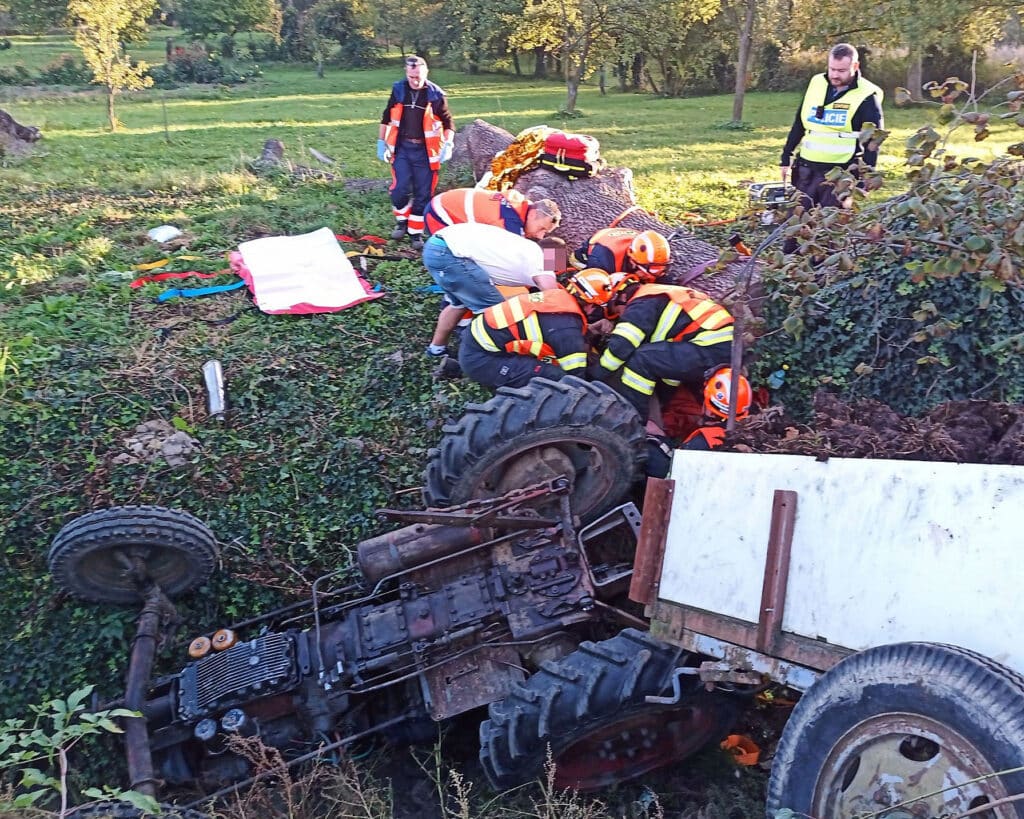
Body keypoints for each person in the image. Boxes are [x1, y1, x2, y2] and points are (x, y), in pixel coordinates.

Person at [422, 190, 562, 358]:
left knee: (458, 304)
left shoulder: (524, 247)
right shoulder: (540, 259)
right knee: (497, 313)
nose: (540, 235)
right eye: (542, 229)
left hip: (438, 246)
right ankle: (474, 355)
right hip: (449, 250)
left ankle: (436, 349)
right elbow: (553, 297)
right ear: (551, 263)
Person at [589, 280, 734, 422]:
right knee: (651, 357)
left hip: (711, 346)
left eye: (615, 311)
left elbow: (622, 346)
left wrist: (595, 376)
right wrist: (663, 397)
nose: (620, 316)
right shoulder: (658, 294)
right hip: (719, 347)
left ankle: (634, 421)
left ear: (622, 297)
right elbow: (670, 368)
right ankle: (653, 413)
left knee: (641, 359)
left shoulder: (641, 302)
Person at [780, 43, 884, 220]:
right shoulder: (816, 83)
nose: (835, 75)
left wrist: (864, 180)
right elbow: (800, 122)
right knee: (796, 226)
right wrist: (786, 156)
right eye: (832, 69)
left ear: (855, 66)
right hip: (806, 171)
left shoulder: (866, 96)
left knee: (828, 233)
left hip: (840, 175)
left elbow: (873, 142)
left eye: (841, 70)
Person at [459, 273, 600, 390]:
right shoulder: (566, 329)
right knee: (558, 379)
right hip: (483, 361)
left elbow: (553, 327)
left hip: (475, 342)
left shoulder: (557, 297)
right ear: (591, 305)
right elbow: (575, 378)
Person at [378, 55, 454, 250]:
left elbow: (448, 122)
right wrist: (381, 142)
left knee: (423, 193)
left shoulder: (435, 95)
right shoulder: (399, 90)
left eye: (418, 76)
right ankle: (402, 221)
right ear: (406, 73)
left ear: (426, 72)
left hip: (426, 152)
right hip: (402, 147)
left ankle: (415, 233)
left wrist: (449, 143)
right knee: (399, 189)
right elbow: (386, 117)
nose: (415, 80)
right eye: (411, 76)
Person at [423, 188, 561, 240]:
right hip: (440, 215)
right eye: (542, 228)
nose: (540, 236)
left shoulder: (519, 204)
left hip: (443, 204)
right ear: (532, 215)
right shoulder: (509, 222)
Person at [571, 228, 671, 280]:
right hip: (590, 253)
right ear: (633, 261)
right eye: (652, 271)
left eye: (659, 270)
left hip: (613, 238)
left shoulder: (645, 248)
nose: (653, 276)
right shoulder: (603, 261)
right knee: (558, 246)